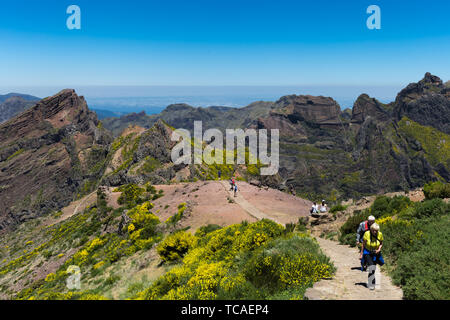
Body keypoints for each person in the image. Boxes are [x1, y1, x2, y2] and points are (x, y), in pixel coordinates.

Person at [360, 223, 384, 290]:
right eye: (373, 230)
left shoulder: (380, 234)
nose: (374, 232)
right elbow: (363, 244)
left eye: (376, 230)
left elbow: (381, 243)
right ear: (371, 229)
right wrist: (361, 254)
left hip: (375, 253)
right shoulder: (367, 234)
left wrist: (379, 249)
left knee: (373, 268)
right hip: (367, 252)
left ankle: (371, 281)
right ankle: (372, 284)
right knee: (371, 267)